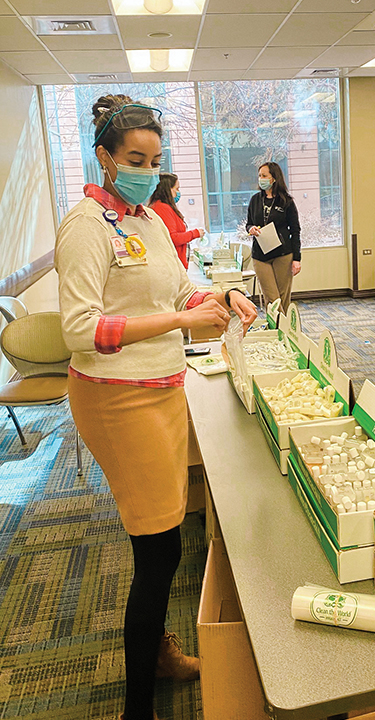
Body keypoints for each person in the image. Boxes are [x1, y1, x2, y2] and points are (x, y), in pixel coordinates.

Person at [54, 94, 257, 720]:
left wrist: (219, 293)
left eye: (155, 158)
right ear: (105, 159)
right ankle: (136, 705)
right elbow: (80, 329)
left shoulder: (144, 219)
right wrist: (178, 318)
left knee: (163, 534)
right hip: (118, 400)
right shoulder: (86, 227)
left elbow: (177, 289)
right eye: (134, 158)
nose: (147, 167)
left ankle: (161, 651)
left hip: (162, 389)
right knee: (159, 549)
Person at [246, 161, 301, 313]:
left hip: (282, 254)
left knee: (283, 298)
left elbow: (295, 230)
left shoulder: (286, 201)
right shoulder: (255, 200)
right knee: (272, 299)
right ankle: (279, 329)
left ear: (274, 178)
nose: (261, 179)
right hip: (260, 255)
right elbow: (248, 224)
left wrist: (297, 258)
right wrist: (251, 229)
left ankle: (282, 332)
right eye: (259, 176)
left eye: (264, 176)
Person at [149, 173, 205, 269]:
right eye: (177, 189)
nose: (178, 192)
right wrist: (195, 233)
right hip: (172, 265)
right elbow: (172, 238)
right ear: (167, 190)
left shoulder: (162, 207)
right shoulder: (162, 208)